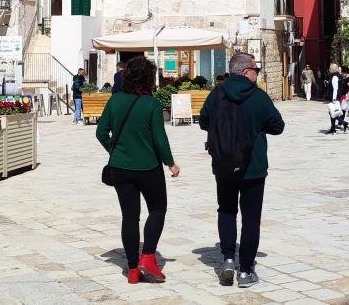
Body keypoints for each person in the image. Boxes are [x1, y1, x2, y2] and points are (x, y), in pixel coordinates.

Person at [200, 52, 285, 288]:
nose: (257, 73)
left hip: (223, 164)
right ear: (246, 71)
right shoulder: (258, 97)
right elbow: (278, 127)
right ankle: (246, 270)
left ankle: (228, 259)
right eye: (256, 70)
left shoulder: (217, 93)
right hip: (253, 166)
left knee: (226, 211)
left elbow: (204, 121)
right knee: (251, 219)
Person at [96, 56, 180, 284]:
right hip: (148, 167)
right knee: (158, 209)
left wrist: (115, 150)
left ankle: (132, 269)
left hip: (120, 168)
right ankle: (149, 256)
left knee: (130, 217)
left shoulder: (114, 101)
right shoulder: (151, 104)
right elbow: (159, 139)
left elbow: (101, 133)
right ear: (148, 78)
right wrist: (170, 162)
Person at [326, 63, 348, 134]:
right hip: (336, 96)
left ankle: (341, 124)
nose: (329, 69)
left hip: (334, 97)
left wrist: (334, 98)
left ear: (332, 69)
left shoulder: (334, 77)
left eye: (330, 68)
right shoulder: (337, 75)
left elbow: (335, 88)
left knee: (332, 112)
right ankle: (334, 127)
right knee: (332, 112)